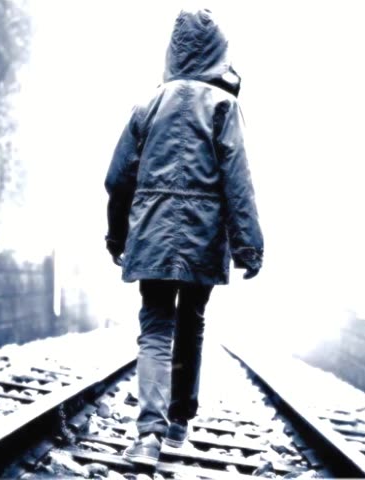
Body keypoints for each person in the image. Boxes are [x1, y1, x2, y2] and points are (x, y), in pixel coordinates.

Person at [104, 8, 264, 467]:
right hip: (203, 237)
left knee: (156, 327)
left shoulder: (149, 105)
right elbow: (238, 181)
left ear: (173, 52)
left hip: (152, 233)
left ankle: (148, 436)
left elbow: (118, 179)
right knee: (191, 323)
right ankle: (177, 425)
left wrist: (117, 236)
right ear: (218, 52)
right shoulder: (224, 107)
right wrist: (248, 245)